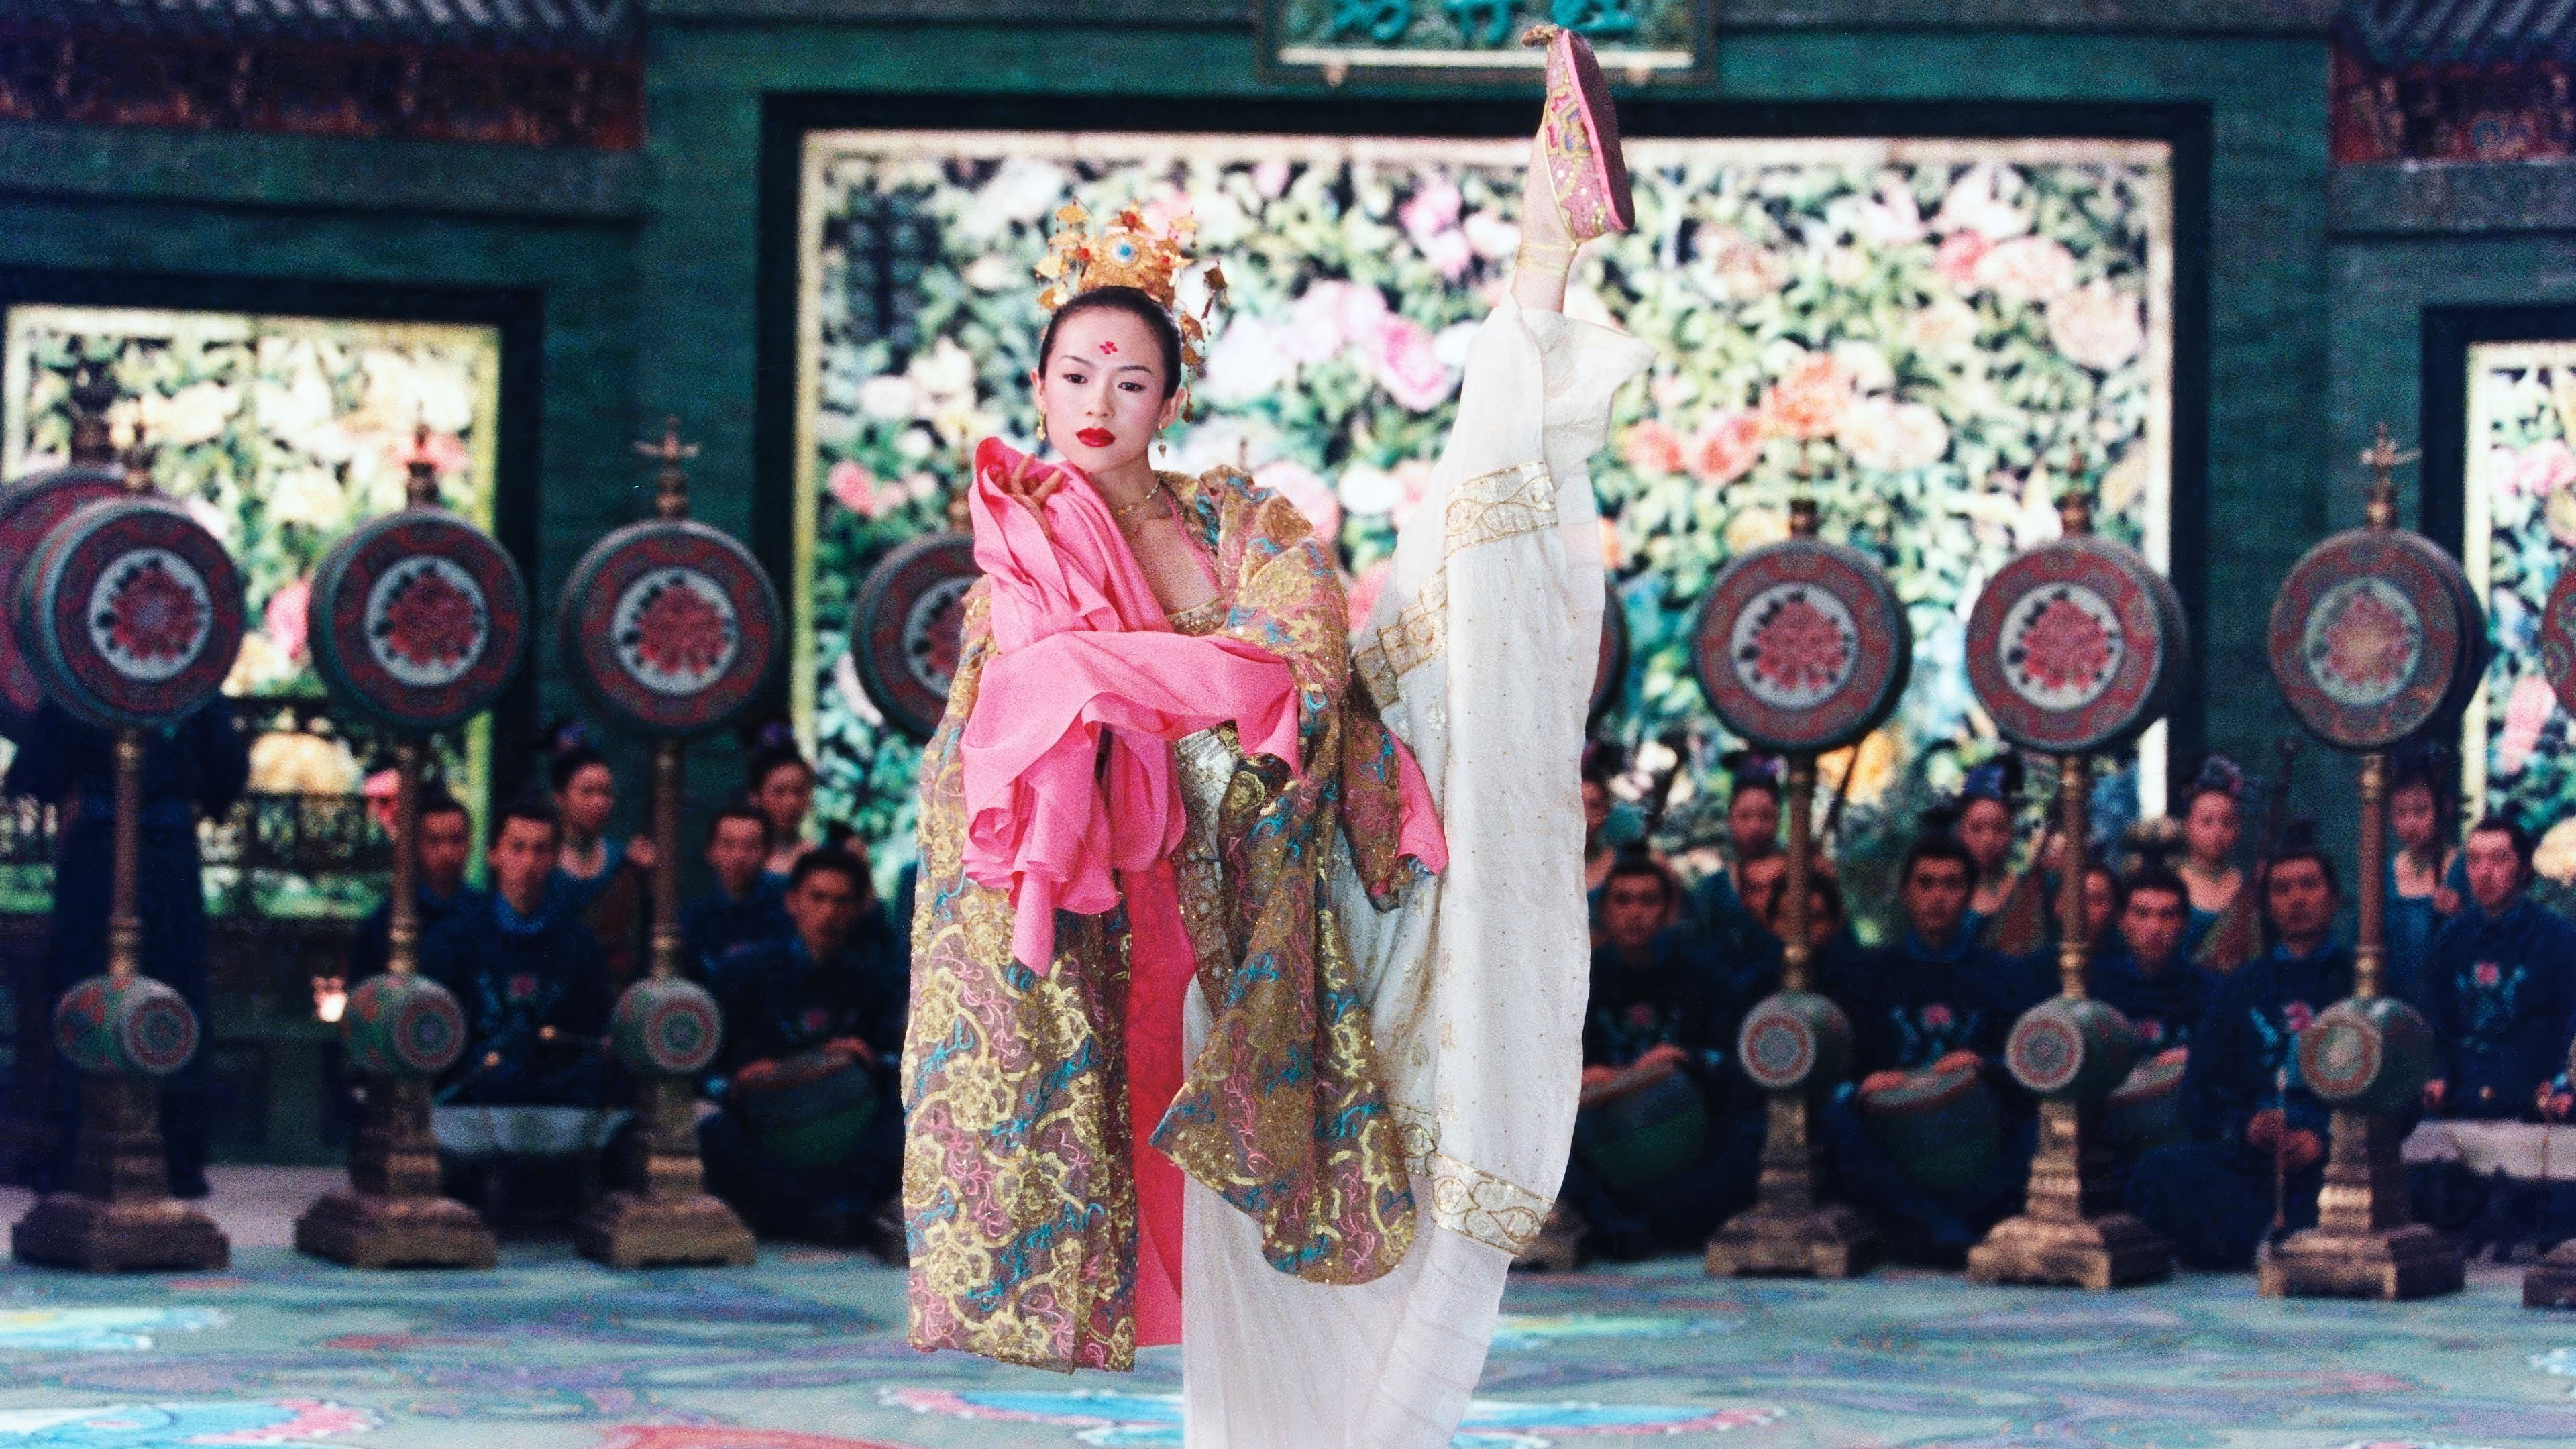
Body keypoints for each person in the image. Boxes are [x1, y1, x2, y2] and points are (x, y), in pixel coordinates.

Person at [905, 30, 1646, 1440]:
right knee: (1232, 1245)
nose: (1100, 406)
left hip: (1278, 899)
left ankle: (1542, 268)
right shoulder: (1021, 554)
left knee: (1463, 597)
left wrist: (1129, 683)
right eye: (1076, 377)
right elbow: (1008, 730)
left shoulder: (1246, 520)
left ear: (1172, 400)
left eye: (1132, 381)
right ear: (1041, 389)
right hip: (1127, 927)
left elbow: (1297, 673)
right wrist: (1175, 683)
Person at [5, 698, 248, 1198]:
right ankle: (154, 1154)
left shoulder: (102, 682)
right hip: (135, 853)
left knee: (139, 994)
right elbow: (225, 777)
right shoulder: (181, 687)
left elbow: (37, 774)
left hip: (124, 853)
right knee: (105, 995)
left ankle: (134, 1152)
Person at [2124, 847, 2358, 1269]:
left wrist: (2324, 1138)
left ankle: (2266, 1239)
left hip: (2333, 1157)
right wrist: (2246, 1126)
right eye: (2282, 889)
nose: (2297, 898)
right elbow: (2200, 1092)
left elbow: (2398, 1090)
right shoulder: (2242, 986)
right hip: (2256, 1155)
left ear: (2334, 898)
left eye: (2309, 885)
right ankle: (2270, 1240)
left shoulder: (2361, 983)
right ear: (2268, 905)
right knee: (2158, 1172)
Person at [1826, 836, 2047, 1264]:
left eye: (1951, 885)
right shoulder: (1869, 973)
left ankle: (1951, 1222)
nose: (1937, 897)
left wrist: (1984, 1066)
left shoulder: (2002, 974)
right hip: (1894, 1127)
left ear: (1970, 894)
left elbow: (2030, 1067)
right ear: (1906, 892)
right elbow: (1842, 1067)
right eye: (1925, 884)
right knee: (1836, 1120)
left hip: (1977, 1129)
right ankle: (1936, 1222)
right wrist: (1864, 1085)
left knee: (2041, 1126)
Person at [1551, 853, 1761, 1263]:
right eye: (1623, 901)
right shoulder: (1578, 977)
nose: (1635, 913)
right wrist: (1591, 1075)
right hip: (1600, 1125)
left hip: (1684, 1128)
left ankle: (1641, 1221)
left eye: (1648, 901)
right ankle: (1628, 1222)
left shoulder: (1701, 974)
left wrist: (1685, 1059)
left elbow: (1731, 1057)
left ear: (1667, 912)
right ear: (1604, 911)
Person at [700, 848, 908, 1255]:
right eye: (817, 898)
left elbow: (892, 1061)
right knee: (710, 1126)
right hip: (765, 1122)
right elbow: (715, 1071)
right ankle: (807, 1212)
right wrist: (754, 1075)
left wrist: (861, 1057)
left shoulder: (871, 978)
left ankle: (832, 1209)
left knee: (903, 1115)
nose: (828, 913)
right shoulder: (744, 972)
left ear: (859, 909)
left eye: (841, 901)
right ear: (792, 901)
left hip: (843, 1126)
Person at [421, 794, 614, 1112]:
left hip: (556, 1110)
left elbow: (592, 1037)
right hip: (469, 1106)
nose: (528, 863)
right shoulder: (453, 940)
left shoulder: (580, 945)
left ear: (555, 858)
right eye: (517, 848)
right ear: (493, 854)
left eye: (541, 850)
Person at [339, 787, 487, 989]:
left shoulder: (484, 914)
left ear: (469, 843)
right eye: (434, 841)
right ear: (415, 846)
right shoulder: (386, 920)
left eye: (456, 840)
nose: (447, 852)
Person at [545, 734, 657, 987]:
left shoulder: (622, 860)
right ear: (559, 797)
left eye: (606, 793)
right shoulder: (543, 859)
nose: (599, 803)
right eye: (587, 792)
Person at [2090, 867, 2206, 1054]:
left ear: (2184, 923)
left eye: (2167, 915)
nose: (2154, 928)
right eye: (2142, 913)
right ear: (2121, 921)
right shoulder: (2095, 984)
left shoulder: (2206, 991)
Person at [680, 801, 790, 982]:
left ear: (767, 853)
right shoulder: (694, 916)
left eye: (751, 846)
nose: (739, 856)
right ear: (710, 852)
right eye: (728, 845)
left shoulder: (785, 911)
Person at [2387, 760, 2459, 1004]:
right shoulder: (2385, 872)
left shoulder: (2462, 868)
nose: (2410, 823)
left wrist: (2460, 915)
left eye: (2420, 812)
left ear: (2444, 809)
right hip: (2394, 999)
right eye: (2401, 813)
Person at [1686, 763, 1781, 937]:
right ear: (1729, 820)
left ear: (1778, 820)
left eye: (1765, 816)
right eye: (1744, 816)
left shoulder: (1799, 882)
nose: (1755, 826)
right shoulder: (1712, 889)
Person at [2180, 757, 2250, 968]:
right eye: (2207, 822)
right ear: (2187, 826)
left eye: (2227, 823)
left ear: (2238, 829)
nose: (2217, 832)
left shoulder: (2245, 884)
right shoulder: (2173, 880)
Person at [746, 740, 819, 890]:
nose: (791, 803)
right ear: (755, 797)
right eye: (779, 791)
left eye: (799, 791)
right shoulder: (742, 855)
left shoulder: (817, 856)